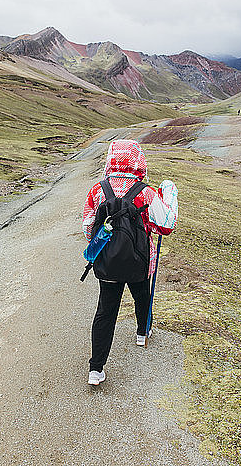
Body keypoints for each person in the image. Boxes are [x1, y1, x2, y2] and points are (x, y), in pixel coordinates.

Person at [82, 139, 178, 386]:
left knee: (105, 310)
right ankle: (142, 332)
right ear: (138, 160)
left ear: (111, 158)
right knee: (142, 296)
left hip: (108, 265)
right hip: (139, 262)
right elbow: (165, 226)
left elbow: (88, 226)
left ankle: (96, 369)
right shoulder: (145, 191)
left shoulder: (98, 189)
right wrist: (169, 193)